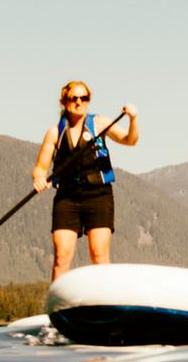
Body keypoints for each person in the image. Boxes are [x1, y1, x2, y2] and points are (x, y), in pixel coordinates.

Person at [31, 81, 139, 282]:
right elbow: (40, 167)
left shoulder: (99, 123)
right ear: (64, 101)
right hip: (67, 197)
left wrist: (133, 119)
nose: (79, 102)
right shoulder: (55, 132)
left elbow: (130, 140)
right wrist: (38, 179)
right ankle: (57, 307)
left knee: (99, 254)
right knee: (62, 256)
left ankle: (105, 304)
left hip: (98, 195)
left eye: (84, 98)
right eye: (74, 98)